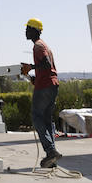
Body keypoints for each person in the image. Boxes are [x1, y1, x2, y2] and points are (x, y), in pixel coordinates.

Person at [21, 17, 60, 168]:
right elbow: (46, 69)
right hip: (50, 85)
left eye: (28, 28)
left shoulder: (38, 46)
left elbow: (46, 64)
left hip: (45, 86)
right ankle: (52, 156)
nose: (25, 31)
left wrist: (30, 66)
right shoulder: (43, 45)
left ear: (35, 31)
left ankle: (50, 152)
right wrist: (31, 77)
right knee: (46, 120)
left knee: (37, 118)